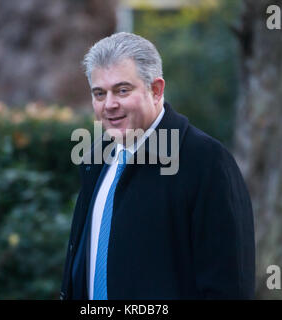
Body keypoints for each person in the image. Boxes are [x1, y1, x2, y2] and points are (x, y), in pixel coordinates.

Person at [60, 32, 255, 300]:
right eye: (99, 93)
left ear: (156, 90)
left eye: (122, 90)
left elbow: (229, 287)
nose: (109, 105)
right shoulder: (95, 159)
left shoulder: (207, 162)